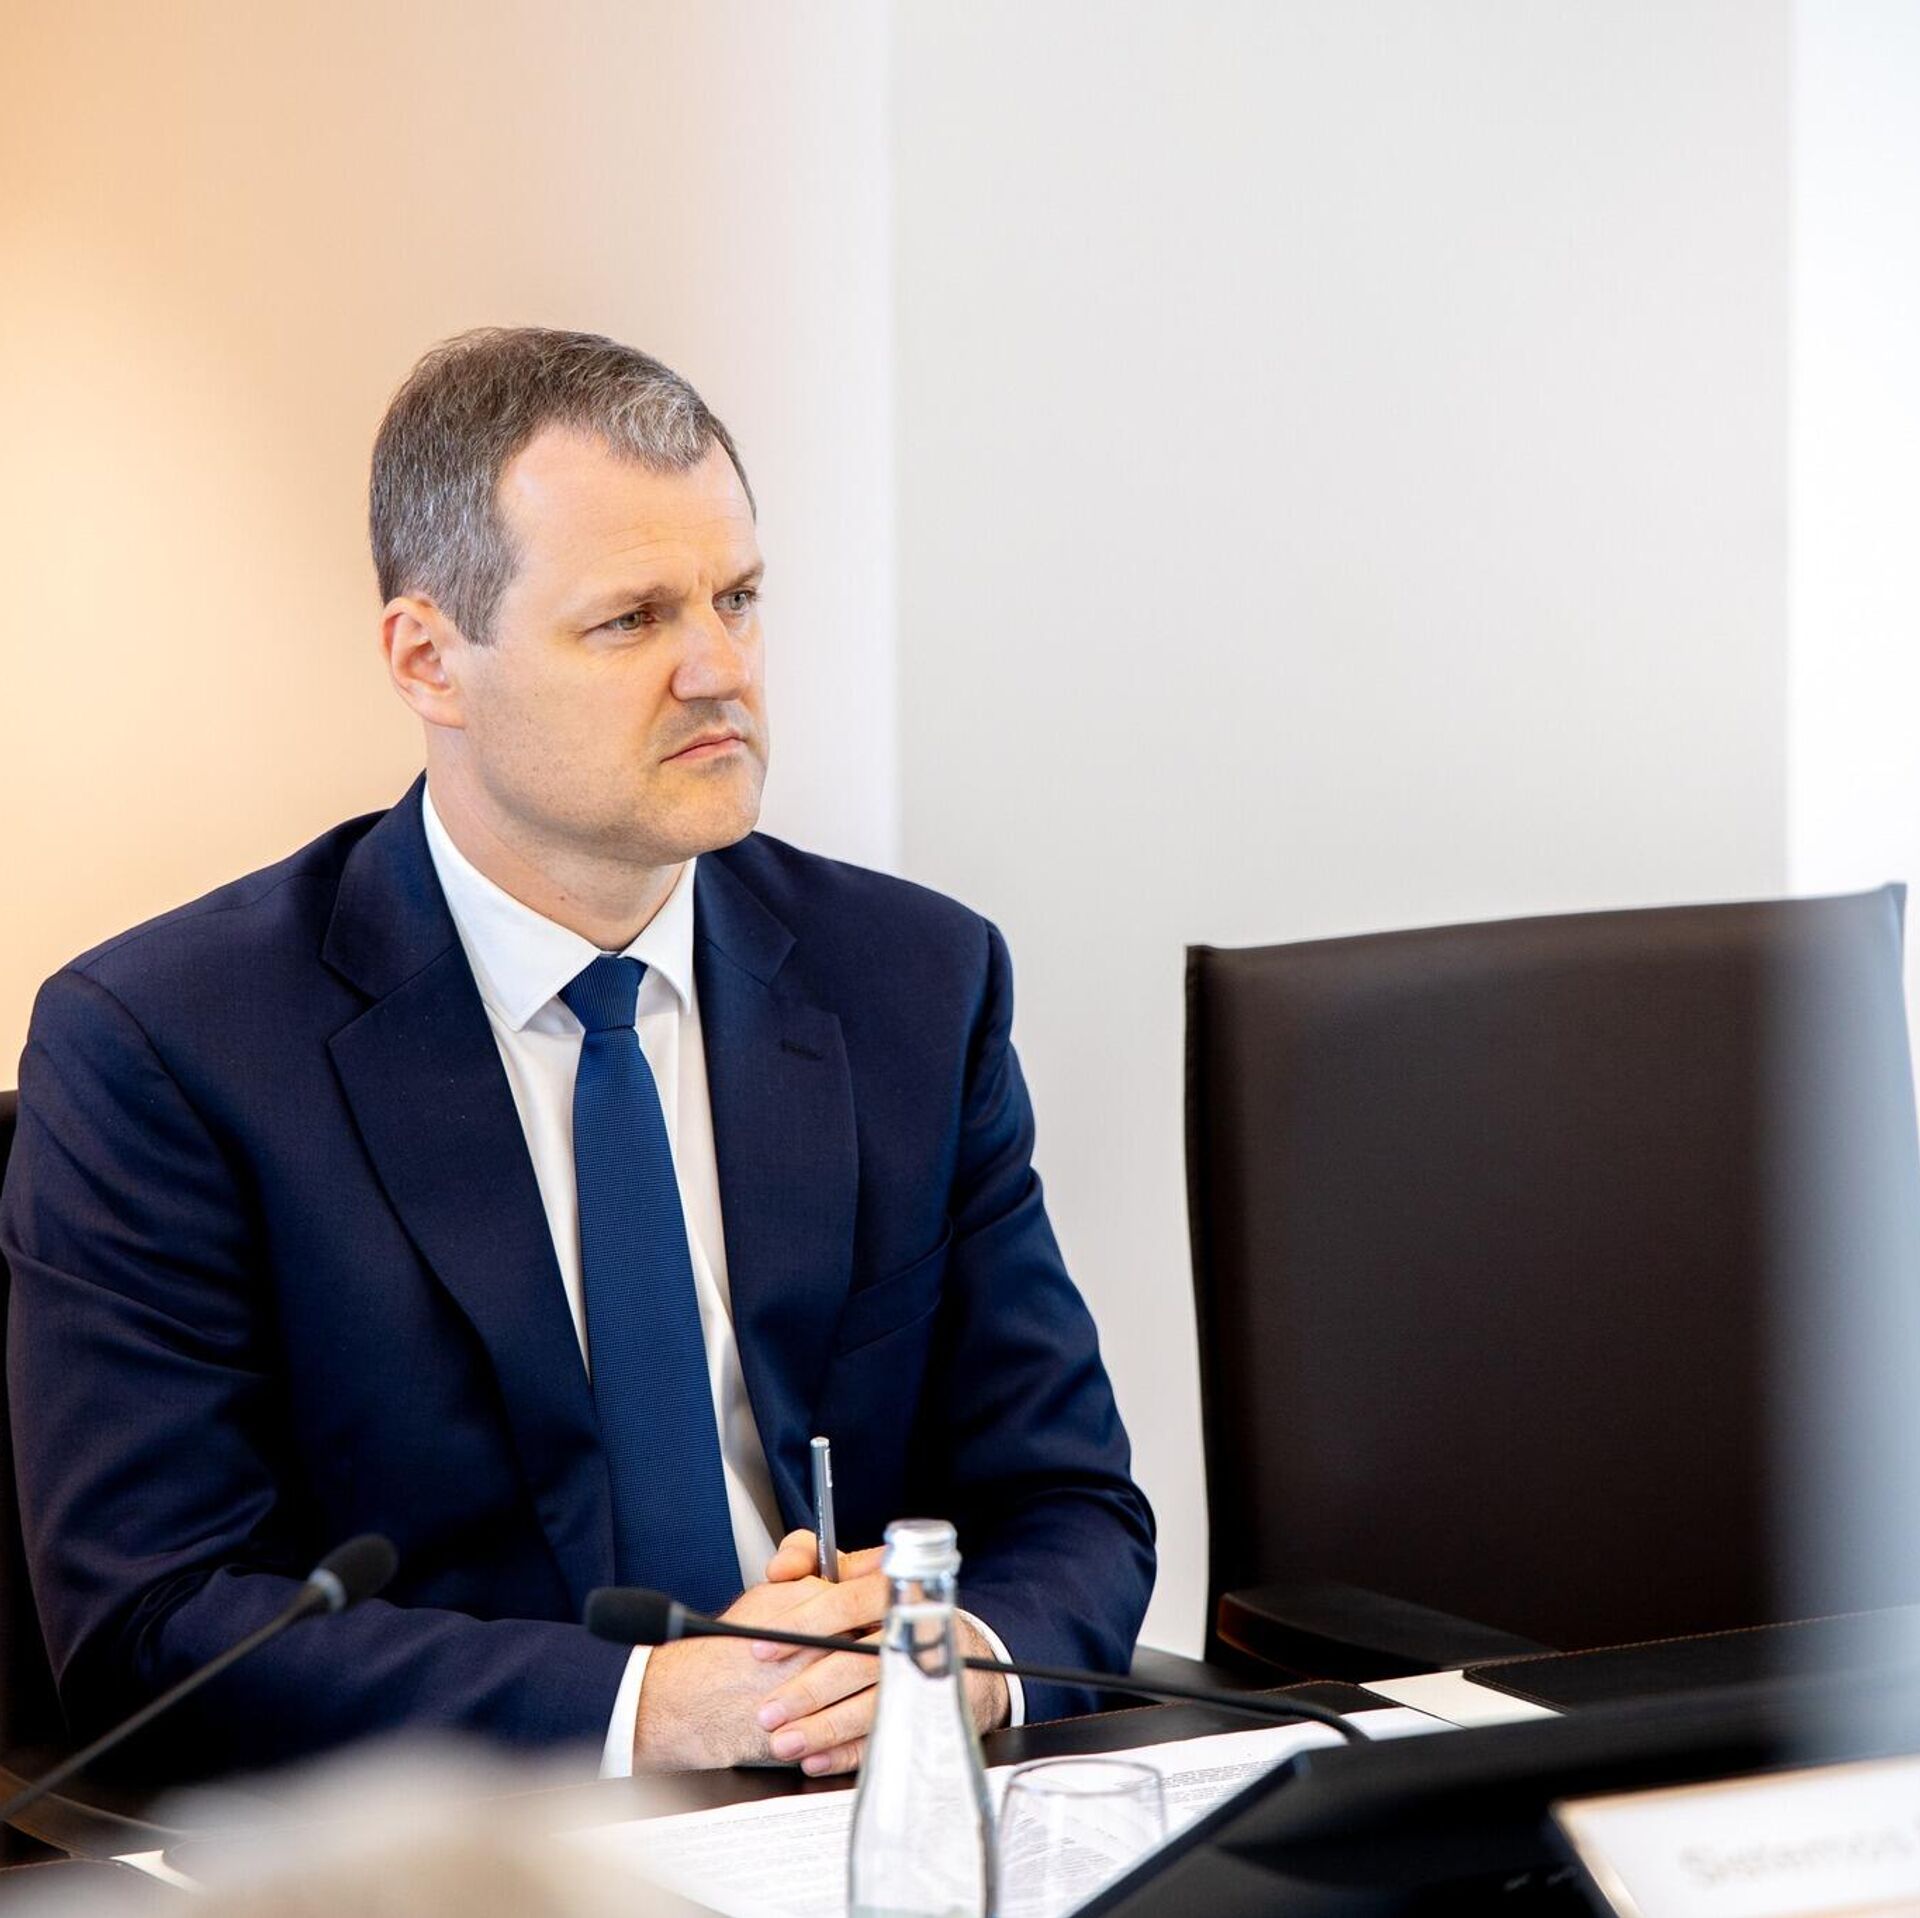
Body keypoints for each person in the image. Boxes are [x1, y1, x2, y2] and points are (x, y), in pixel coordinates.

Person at [1, 328, 1154, 1783]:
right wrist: (650, 1707)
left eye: (738, 598)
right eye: (631, 620)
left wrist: (957, 1663)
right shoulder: (169, 1044)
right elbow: (155, 1623)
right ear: (430, 659)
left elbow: (1069, 1503)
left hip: (863, 1801)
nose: (719, 669)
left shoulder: (913, 981)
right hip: (462, 1840)